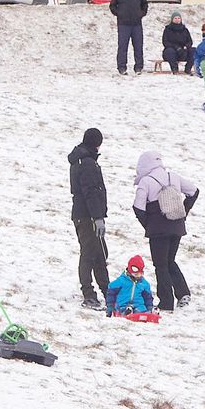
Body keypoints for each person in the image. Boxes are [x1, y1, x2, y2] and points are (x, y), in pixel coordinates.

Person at [132, 150, 198, 313]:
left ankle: (166, 302)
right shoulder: (173, 176)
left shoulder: (146, 182)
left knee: (160, 265)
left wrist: (148, 224)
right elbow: (194, 191)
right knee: (170, 261)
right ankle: (183, 294)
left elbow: (138, 207)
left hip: (158, 229)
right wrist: (183, 212)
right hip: (177, 225)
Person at [68, 127, 111, 309]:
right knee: (89, 254)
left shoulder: (81, 160)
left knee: (99, 254)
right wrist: (97, 217)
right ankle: (88, 294)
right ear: (96, 143)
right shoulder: (87, 163)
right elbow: (91, 192)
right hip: (87, 217)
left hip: (84, 215)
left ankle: (107, 291)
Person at [109, 0, 147, 74]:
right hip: (123, 25)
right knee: (123, 47)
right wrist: (119, 14)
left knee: (138, 46)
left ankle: (138, 67)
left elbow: (144, 4)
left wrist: (141, 13)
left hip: (137, 24)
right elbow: (112, 6)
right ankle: (122, 67)